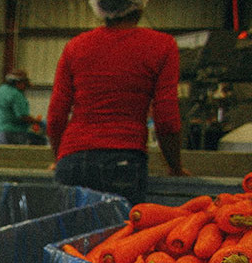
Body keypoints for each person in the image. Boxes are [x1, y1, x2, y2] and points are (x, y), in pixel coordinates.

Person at [47, 0, 189, 205]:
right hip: (123, 161)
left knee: (69, 227)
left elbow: (56, 116)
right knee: (119, 226)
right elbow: (166, 119)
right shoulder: (161, 45)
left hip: (72, 162)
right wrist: (175, 167)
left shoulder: (75, 46)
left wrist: (60, 157)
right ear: (140, 6)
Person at [0, 69, 45, 145]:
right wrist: (38, 122)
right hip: (14, 134)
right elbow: (22, 116)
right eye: (24, 84)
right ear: (18, 82)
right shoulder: (16, 94)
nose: (25, 88)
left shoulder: (1, 90)